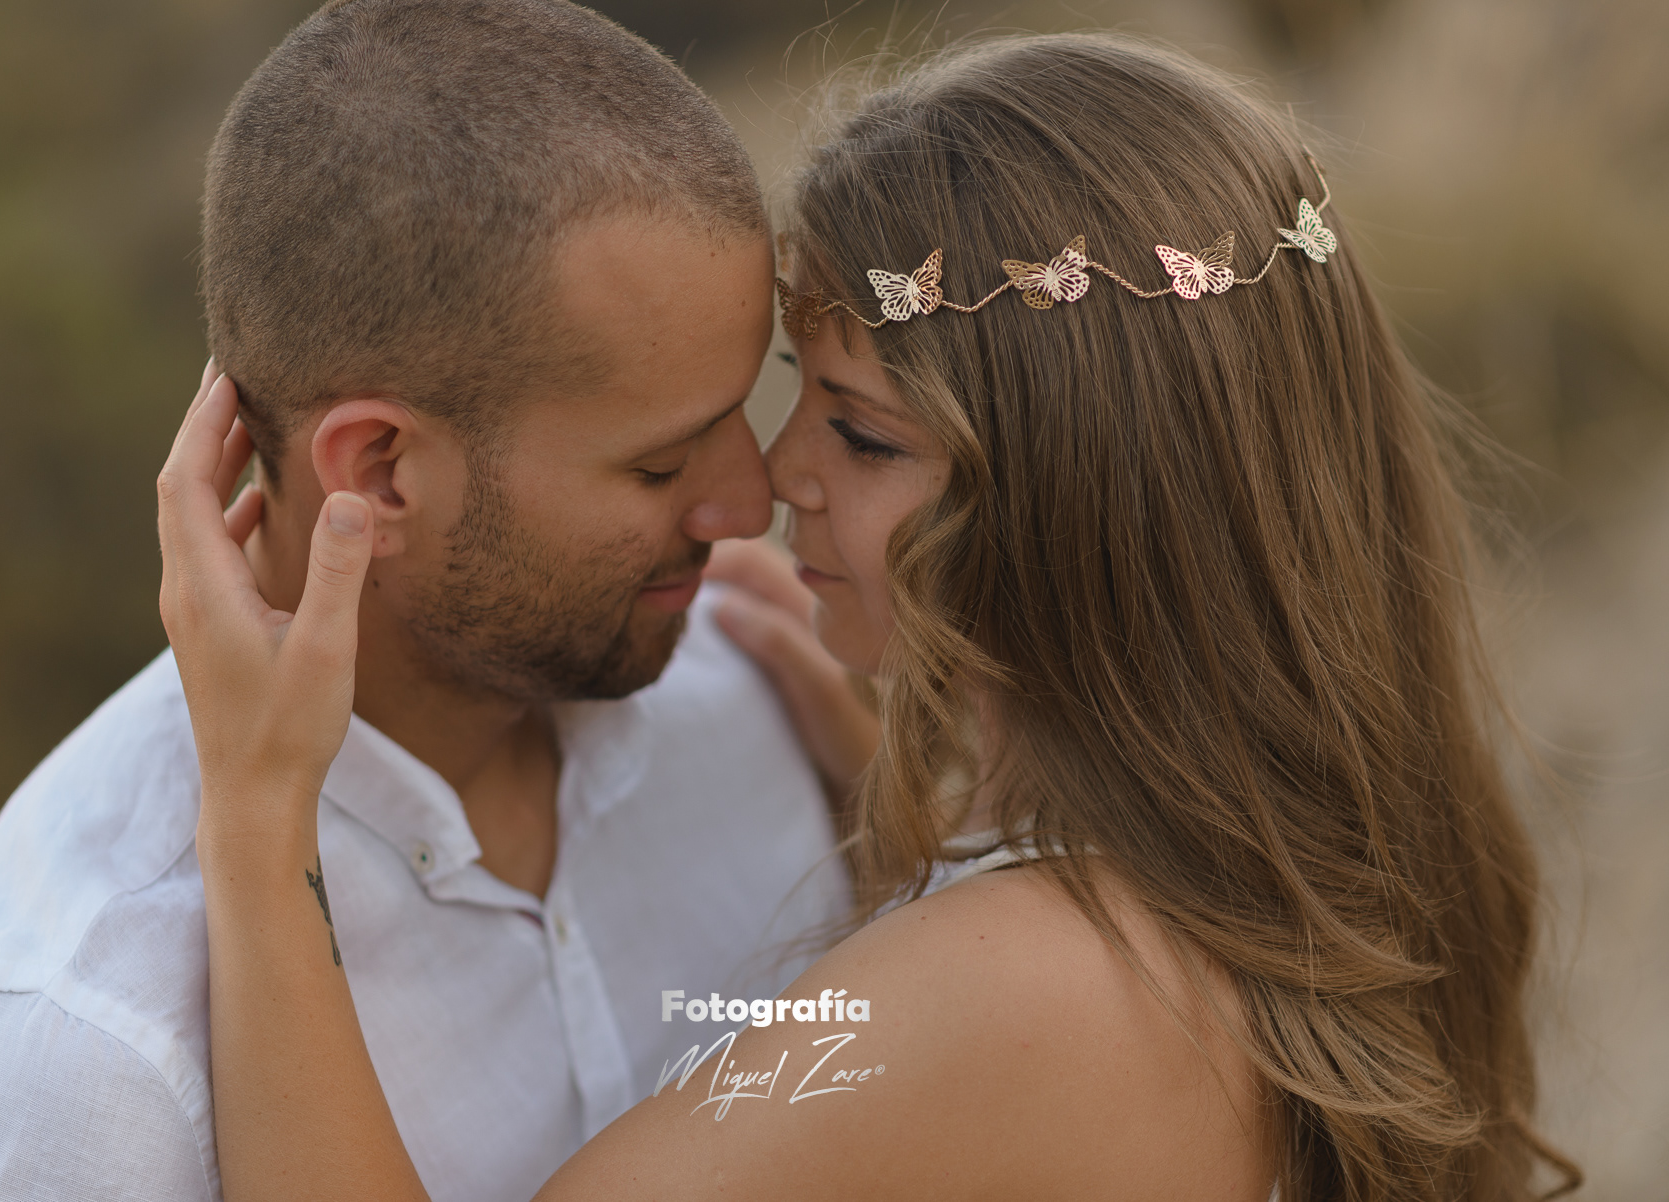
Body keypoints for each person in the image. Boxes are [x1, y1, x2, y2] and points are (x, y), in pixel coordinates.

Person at [160, 30, 1583, 1202]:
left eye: (862, 433)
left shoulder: (1018, 987)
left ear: (1083, 494)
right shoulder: (1329, 854)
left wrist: (260, 816)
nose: (771, 478)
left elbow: (971, 1047)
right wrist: (898, 825)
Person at [0, 2, 863, 1197]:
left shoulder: (773, 694)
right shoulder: (72, 1062)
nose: (748, 506)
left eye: (739, 412)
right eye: (660, 465)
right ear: (381, 472)